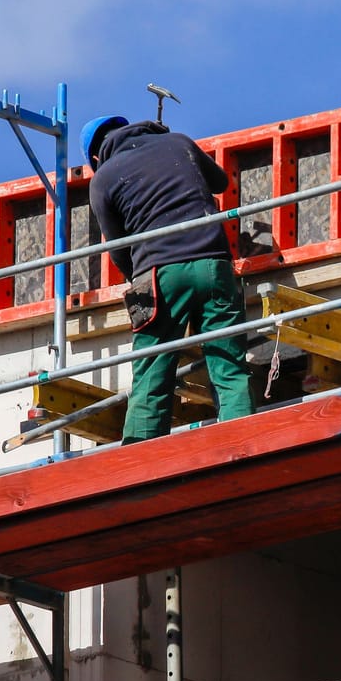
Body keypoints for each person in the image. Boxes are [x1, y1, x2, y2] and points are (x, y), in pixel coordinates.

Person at [85, 114, 254, 441]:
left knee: (151, 377)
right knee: (229, 368)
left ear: (95, 157)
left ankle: (140, 460)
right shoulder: (178, 142)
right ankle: (243, 443)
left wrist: (136, 282)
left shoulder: (102, 178)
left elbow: (119, 247)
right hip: (213, 263)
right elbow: (220, 182)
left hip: (158, 274)